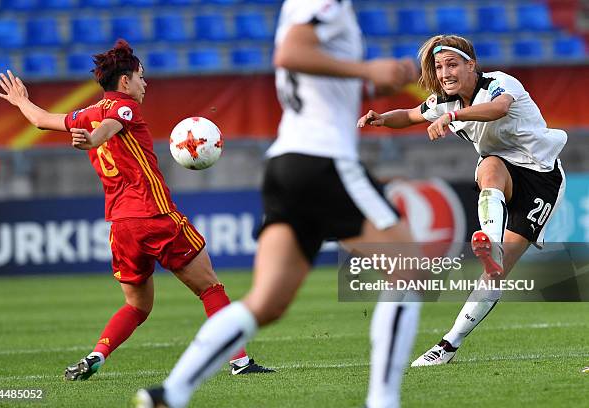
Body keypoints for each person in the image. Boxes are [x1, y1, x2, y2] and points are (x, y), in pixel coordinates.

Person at [135, 1, 422, 407]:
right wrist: (368, 71)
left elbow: (309, 70)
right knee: (409, 266)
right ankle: (383, 401)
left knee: (266, 303)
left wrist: (372, 82)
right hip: (323, 159)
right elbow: (290, 53)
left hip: (286, 163)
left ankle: (171, 391)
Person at [0, 39, 273, 380]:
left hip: (120, 225)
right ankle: (240, 362)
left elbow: (41, 119)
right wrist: (94, 139)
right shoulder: (125, 108)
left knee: (137, 306)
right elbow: (111, 127)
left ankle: (97, 355)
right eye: (141, 76)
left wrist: (22, 101)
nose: (145, 83)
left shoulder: (87, 114)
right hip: (154, 216)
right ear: (124, 81)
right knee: (211, 288)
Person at [357, 34, 567, 366]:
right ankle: (446, 348)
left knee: (496, 276)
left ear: (471, 65)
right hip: (502, 171)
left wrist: (454, 118)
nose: (444, 73)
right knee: (490, 165)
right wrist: (383, 118)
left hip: (542, 179)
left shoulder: (499, 83)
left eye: (452, 64)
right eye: (439, 67)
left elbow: (499, 109)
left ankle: (453, 338)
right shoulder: (443, 101)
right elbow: (412, 115)